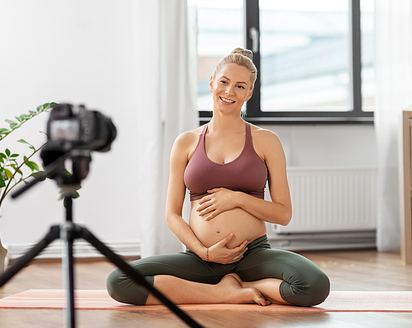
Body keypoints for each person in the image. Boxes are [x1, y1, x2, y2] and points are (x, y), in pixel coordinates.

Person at [106, 48, 330, 307]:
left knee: (315, 285)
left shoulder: (266, 140)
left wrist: (236, 199)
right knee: (120, 281)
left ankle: (245, 285)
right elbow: (172, 214)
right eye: (223, 82)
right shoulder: (186, 142)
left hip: (253, 254)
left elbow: (283, 214)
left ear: (249, 93)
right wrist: (204, 252)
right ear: (212, 83)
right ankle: (225, 292)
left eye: (239, 86)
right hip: (201, 258)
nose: (229, 91)